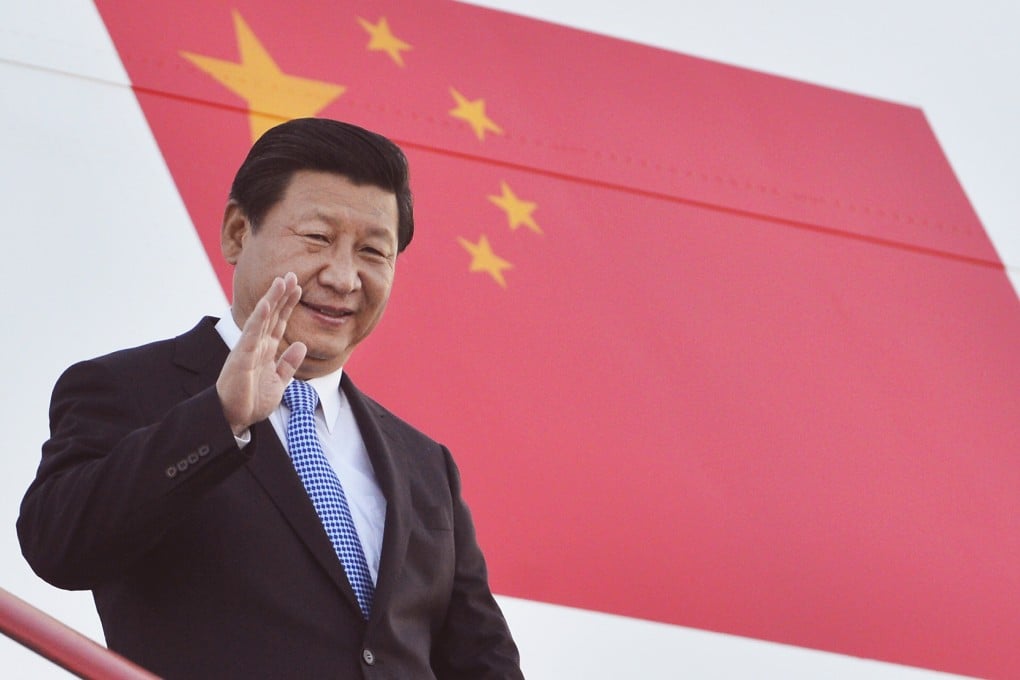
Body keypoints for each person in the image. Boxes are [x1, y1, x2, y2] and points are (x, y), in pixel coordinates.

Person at [17, 118, 524, 679]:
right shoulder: (129, 390)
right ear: (238, 232)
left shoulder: (424, 463)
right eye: (317, 238)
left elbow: (483, 659)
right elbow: (57, 545)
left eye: (373, 252)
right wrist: (219, 419)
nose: (342, 276)